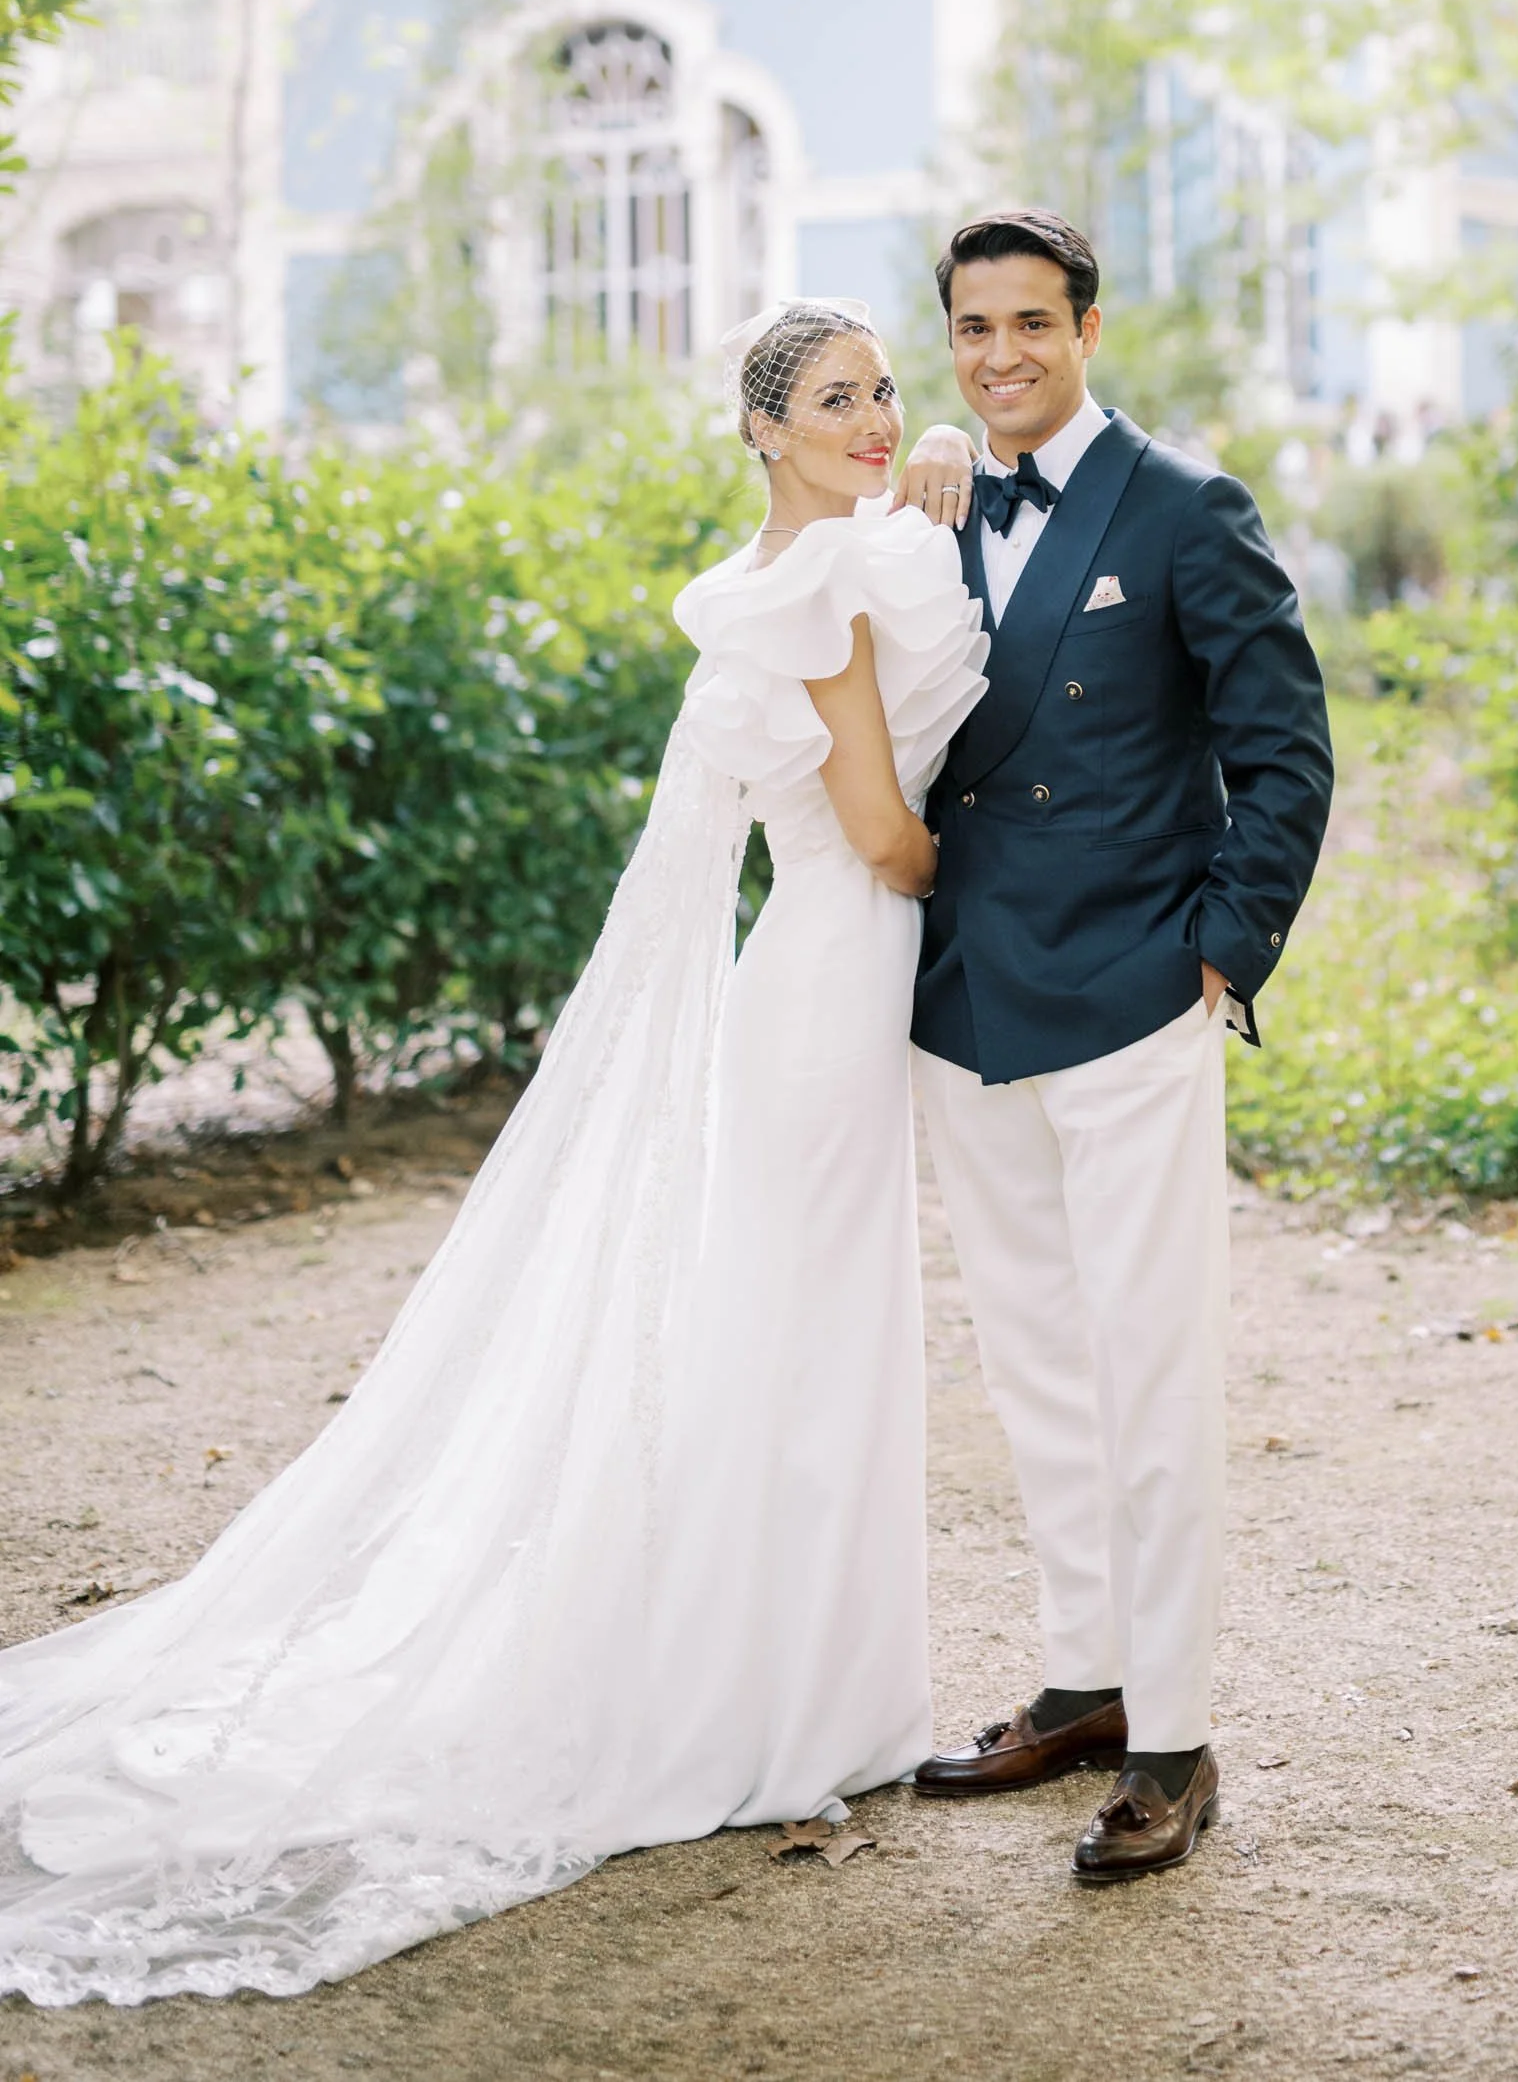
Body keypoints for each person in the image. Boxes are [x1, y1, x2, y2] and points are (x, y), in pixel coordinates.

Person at [0, 300, 988, 2005]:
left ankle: (819, 1689)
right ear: (762, 428)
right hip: (833, 972)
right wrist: (980, 840)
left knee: (798, 1339)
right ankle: (777, 1703)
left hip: (811, 983)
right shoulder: (815, 588)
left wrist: (938, 485)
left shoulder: (815, 564)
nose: (873, 415)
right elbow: (883, 830)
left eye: (883, 389)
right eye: (834, 398)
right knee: (807, 1344)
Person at [904, 211, 1333, 1882]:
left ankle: (1174, 1734)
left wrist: (1218, 954)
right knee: (1032, 1365)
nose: (999, 355)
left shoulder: (1180, 507)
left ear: (1088, 325)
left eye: (1028, 323)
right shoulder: (927, 504)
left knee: (1149, 1367)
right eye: (969, 331)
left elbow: (1283, 748)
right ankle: (1081, 1679)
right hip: (967, 1007)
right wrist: (924, 457)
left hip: (1135, 998)